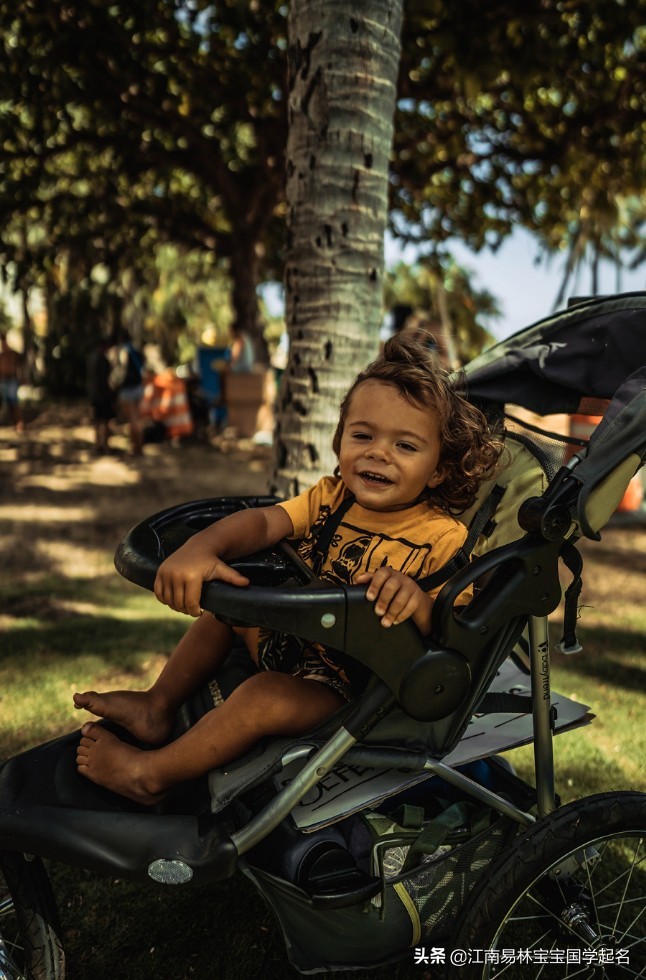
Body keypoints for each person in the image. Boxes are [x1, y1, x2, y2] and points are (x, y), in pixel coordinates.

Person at [74, 335, 502, 805]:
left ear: (438, 469)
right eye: (363, 436)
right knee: (227, 606)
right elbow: (262, 522)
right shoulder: (331, 497)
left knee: (264, 698)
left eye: (405, 445)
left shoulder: (443, 538)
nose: (378, 453)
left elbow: (458, 633)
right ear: (340, 441)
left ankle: (151, 775)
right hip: (295, 639)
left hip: (352, 689)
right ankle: (159, 703)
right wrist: (202, 547)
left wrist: (417, 602)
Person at [110, 330, 145, 456]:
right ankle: (139, 447)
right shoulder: (135, 350)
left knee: (132, 420)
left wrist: (114, 382)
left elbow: (121, 371)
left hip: (127, 390)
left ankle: (135, 447)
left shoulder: (123, 351)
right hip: (138, 388)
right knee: (138, 419)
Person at [86, 337, 115, 455]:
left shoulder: (91, 358)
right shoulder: (103, 359)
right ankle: (104, 445)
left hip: (94, 395)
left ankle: (98, 444)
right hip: (103, 395)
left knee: (97, 421)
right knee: (104, 421)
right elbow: (105, 380)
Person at [0, 330, 24, 432]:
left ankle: (19, 423)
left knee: (13, 402)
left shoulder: (12, 354)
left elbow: (20, 366)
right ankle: (14, 421)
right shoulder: (1, 355)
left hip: (12, 380)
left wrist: (22, 377)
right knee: (7, 403)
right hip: (3, 380)